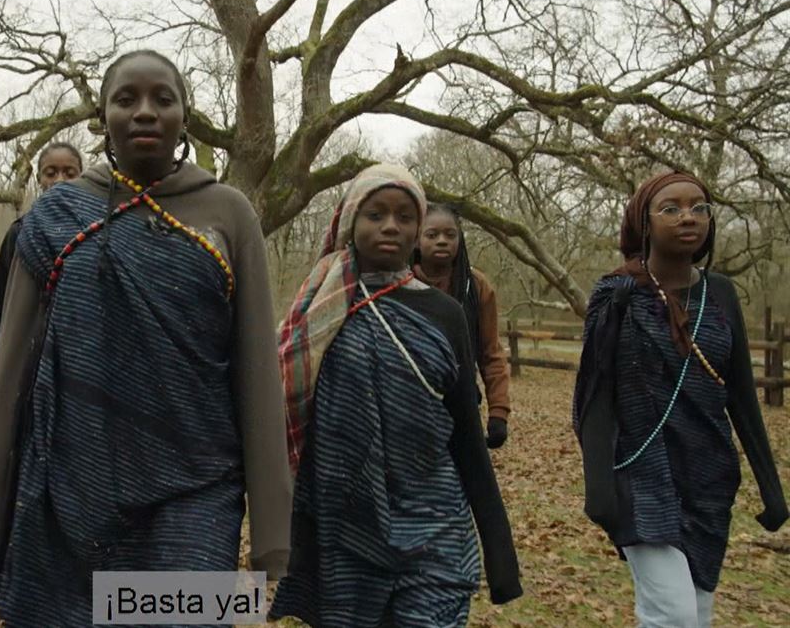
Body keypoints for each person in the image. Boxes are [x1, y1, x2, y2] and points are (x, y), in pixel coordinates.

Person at [0, 50, 292, 625]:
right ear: (103, 116)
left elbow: (257, 373)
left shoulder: (228, 212)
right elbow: (10, 370)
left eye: (162, 99)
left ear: (184, 116)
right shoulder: (54, 218)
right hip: (70, 483)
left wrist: (272, 533)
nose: (145, 112)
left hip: (197, 485)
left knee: (188, 615)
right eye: (126, 99)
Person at [270, 164, 522, 627]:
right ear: (349, 222)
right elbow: (284, 414)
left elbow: (465, 432)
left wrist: (500, 553)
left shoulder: (444, 314)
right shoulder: (315, 313)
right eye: (376, 214)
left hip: (435, 523)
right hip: (344, 526)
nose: (391, 226)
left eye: (406, 217)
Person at [573, 170, 786, 628]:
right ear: (644, 222)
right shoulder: (616, 295)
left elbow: (743, 399)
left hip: (708, 477)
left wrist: (771, 486)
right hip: (640, 475)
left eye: (699, 207)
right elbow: (594, 396)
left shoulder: (721, 294)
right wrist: (599, 491)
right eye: (670, 208)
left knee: (698, 611)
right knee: (673, 614)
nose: (687, 217)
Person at [412, 203, 512, 447]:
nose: (442, 241)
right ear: (416, 240)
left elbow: (491, 353)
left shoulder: (475, 287)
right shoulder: (400, 284)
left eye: (450, 234)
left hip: (463, 409)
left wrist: (498, 412)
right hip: (409, 408)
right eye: (432, 235)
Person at [0, 142, 83, 383]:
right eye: (51, 173)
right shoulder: (20, 234)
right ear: (39, 179)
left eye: (70, 173)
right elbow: (1, 312)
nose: (59, 180)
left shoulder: (98, 230)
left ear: (82, 177)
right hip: (30, 361)